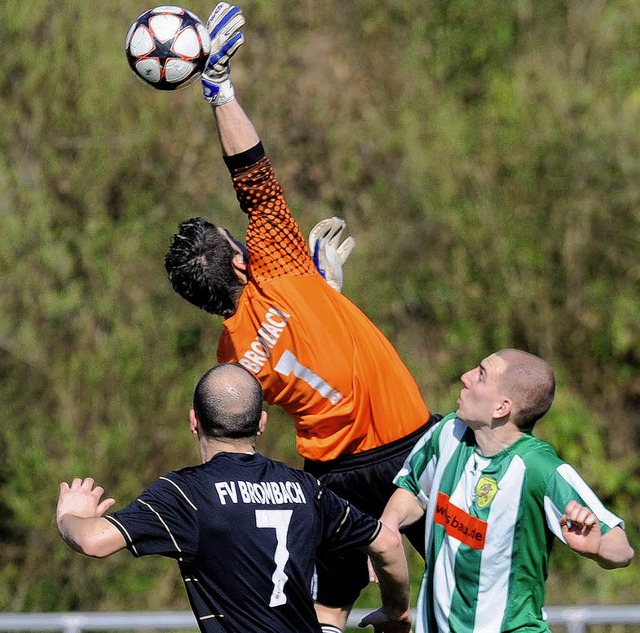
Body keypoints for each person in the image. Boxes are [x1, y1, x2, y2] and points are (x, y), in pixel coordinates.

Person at [163, 5, 439, 630]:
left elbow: (287, 354)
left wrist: (326, 296)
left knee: (329, 607)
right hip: (407, 447)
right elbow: (253, 176)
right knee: (461, 584)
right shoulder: (280, 268)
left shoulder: (228, 359)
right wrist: (219, 90)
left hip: (330, 473)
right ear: (238, 262)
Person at [56, 363, 412, 633]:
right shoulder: (307, 489)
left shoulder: (186, 494)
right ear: (261, 422)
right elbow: (387, 543)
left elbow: (93, 542)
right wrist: (396, 611)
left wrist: (69, 516)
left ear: (194, 421)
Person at [363, 348, 634, 633]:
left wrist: (598, 548)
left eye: (480, 375)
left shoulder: (538, 468)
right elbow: (413, 489)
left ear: (501, 408)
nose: (465, 377)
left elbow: (622, 547)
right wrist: (388, 526)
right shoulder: (447, 433)